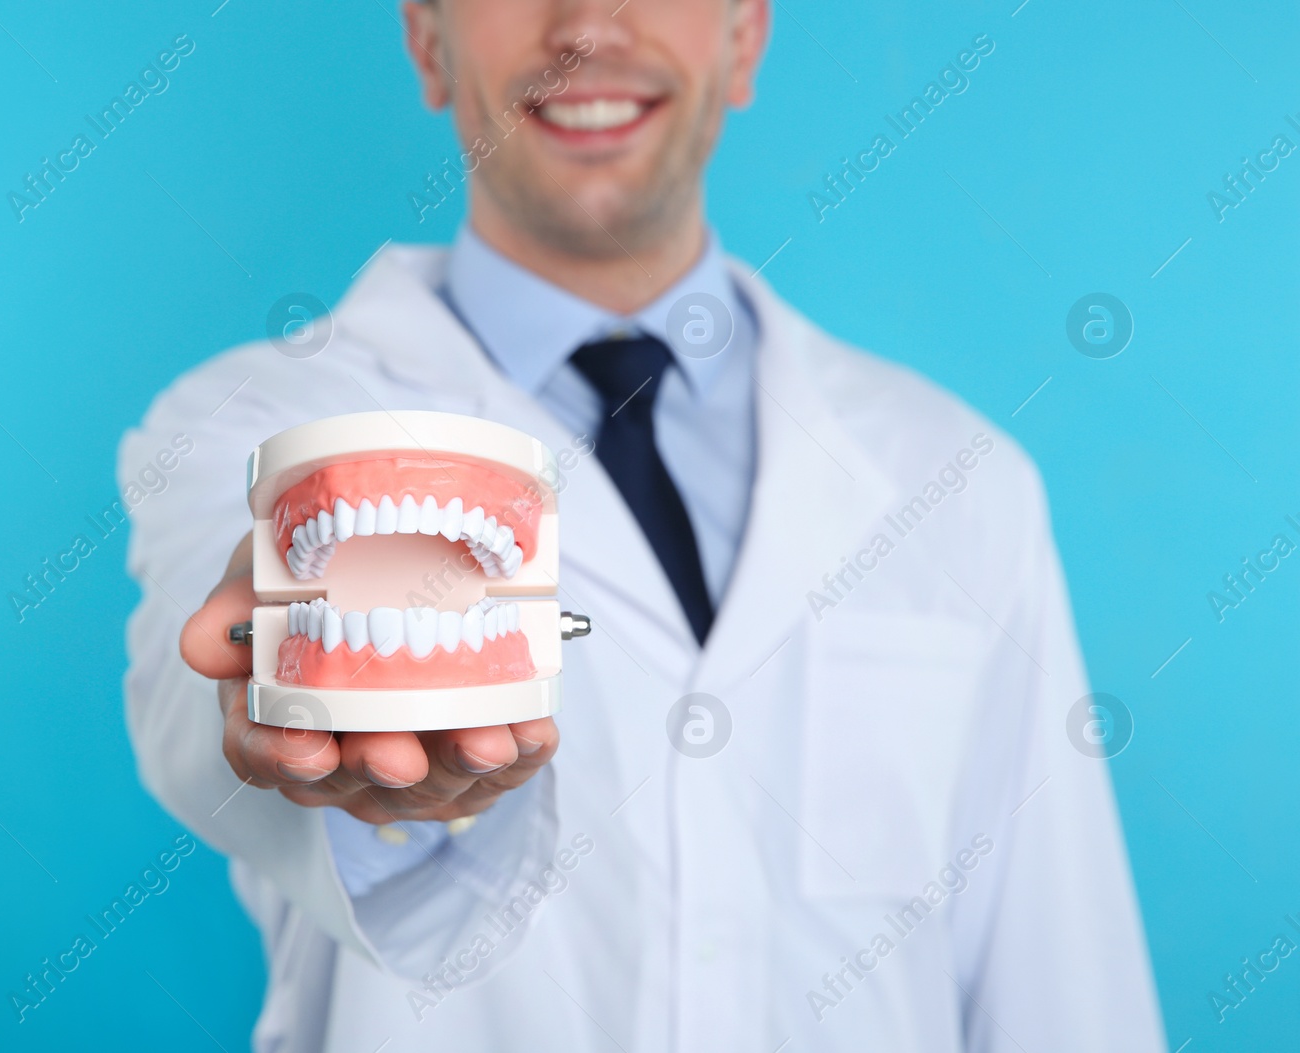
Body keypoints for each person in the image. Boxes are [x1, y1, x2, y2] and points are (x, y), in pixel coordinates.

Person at [118, 1, 1165, 1049]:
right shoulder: (246, 429)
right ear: (429, 43)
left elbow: (1060, 978)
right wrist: (333, 737)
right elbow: (194, 707)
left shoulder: (959, 480)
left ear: (744, 38)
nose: (588, 24)